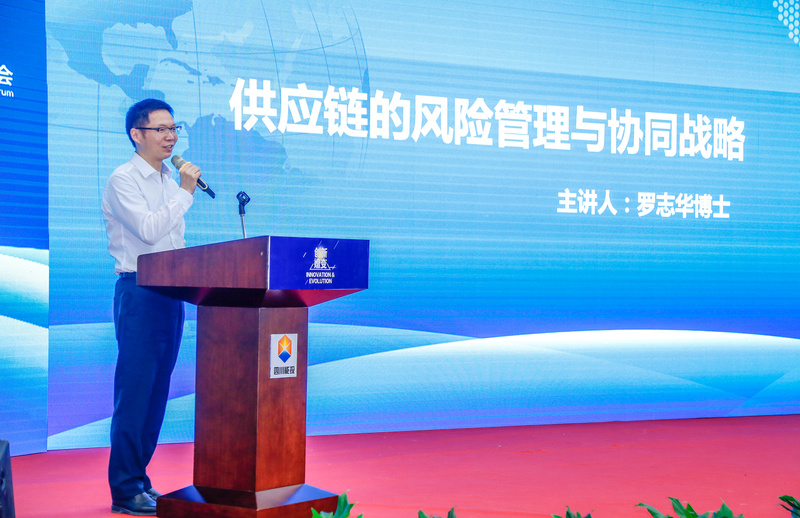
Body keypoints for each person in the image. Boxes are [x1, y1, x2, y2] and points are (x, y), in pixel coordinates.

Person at [101, 98, 202, 516]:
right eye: (161, 129)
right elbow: (148, 231)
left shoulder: (168, 179)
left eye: (174, 128)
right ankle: (124, 487)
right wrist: (185, 192)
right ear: (136, 134)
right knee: (136, 391)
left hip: (171, 294)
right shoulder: (123, 179)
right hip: (139, 292)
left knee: (157, 392)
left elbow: (172, 242)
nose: (170, 136)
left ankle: (140, 480)